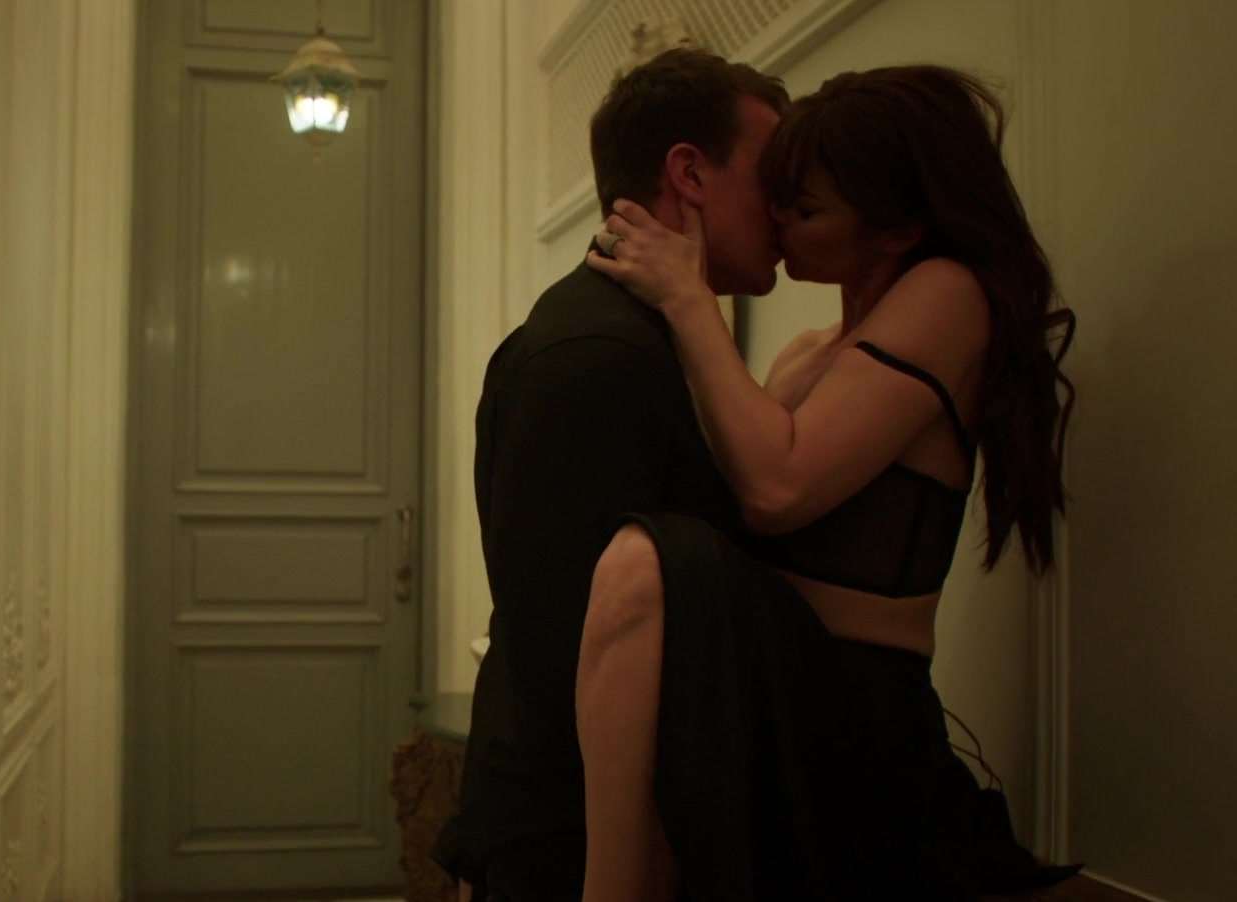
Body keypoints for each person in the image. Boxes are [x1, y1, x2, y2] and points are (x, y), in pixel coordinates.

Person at [576, 65, 1080, 900]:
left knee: (641, 564)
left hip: (857, 716)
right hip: (777, 694)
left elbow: (777, 490)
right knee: (644, 568)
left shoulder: (949, 295)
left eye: (806, 210)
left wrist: (689, 297)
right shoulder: (805, 354)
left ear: (896, 227)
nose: (777, 222)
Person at [430, 48, 789, 901]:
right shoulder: (596, 352)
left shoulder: (641, 333)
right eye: (769, 177)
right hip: (576, 847)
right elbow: (568, 651)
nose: (784, 208)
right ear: (689, 174)